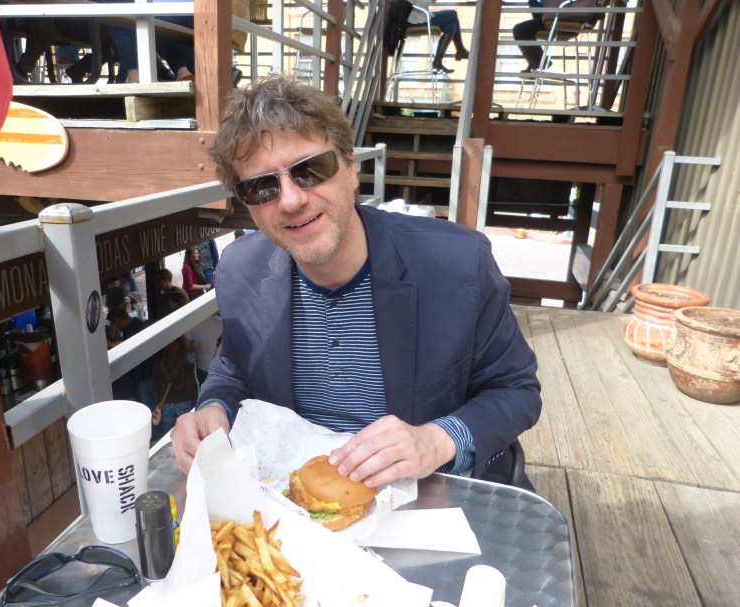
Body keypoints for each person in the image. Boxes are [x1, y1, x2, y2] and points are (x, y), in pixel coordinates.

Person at [171, 75, 541, 491]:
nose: (291, 200)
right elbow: (235, 367)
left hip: (432, 497)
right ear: (247, 205)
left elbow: (516, 388)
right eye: (262, 187)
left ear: (351, 169)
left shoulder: (457, 264)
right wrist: (214, 407)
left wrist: (437, 440)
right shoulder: (240, 270)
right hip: (299, 499)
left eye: (310, 170)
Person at [407, 0, 469, 73]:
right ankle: (461, 50)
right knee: (453, 14)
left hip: (420, 17)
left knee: (451, 26)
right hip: (416, 20)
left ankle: (438, 62)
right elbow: (421, 5)